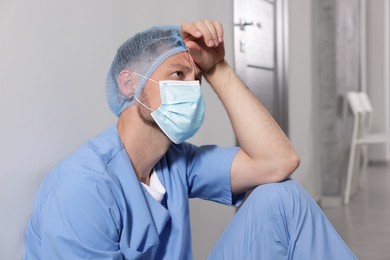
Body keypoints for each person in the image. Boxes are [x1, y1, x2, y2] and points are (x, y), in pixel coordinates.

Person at [24, 20, 357, 259]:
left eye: (196, 81)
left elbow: (279, 162)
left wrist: (217, 68)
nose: (190, 90)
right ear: (128, 84)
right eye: (177, 74)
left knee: (283, 197)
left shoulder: (177, 163)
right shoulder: (82, 186)